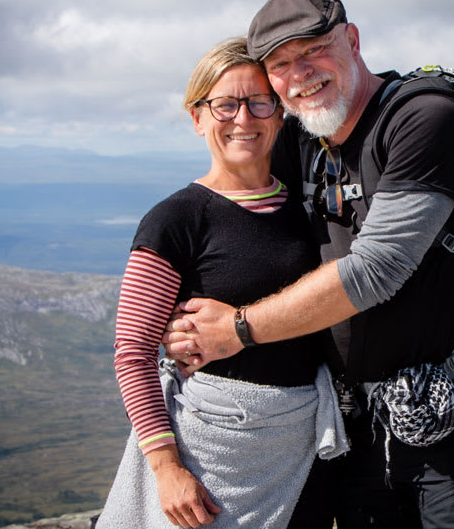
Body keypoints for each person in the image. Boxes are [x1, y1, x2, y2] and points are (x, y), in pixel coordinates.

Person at [165, 0, 454, 529]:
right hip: (349, 416)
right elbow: (248, 225)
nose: (300, 73)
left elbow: (379, 269)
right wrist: (175, 314)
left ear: (352, 40)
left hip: (451, 406)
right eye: (280, 64)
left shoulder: (423, 117)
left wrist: (235, 329)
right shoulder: (302, 137)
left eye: (313, 50)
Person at [96, 36, 348, 529]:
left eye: (259, 102)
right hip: (209, 457)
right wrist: (167, 469)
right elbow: (133, 352)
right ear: (197, 117)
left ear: (279, 114)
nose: (243, 119)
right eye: (225, 105)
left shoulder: (311, 211)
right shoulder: (176, 220)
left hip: (304, 450)